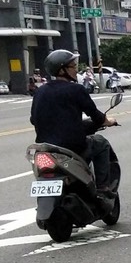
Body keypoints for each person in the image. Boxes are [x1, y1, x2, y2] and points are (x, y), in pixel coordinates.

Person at [30, 49, 119, 197]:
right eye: (73, 66)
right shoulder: (76, 89)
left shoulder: (40, 91)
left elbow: (33, 119)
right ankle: (103, 188)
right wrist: (108, 121)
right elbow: (96, 115)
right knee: (101, 143)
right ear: (62, 70)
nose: (76, 70)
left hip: (45, 149)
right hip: (72, 148)